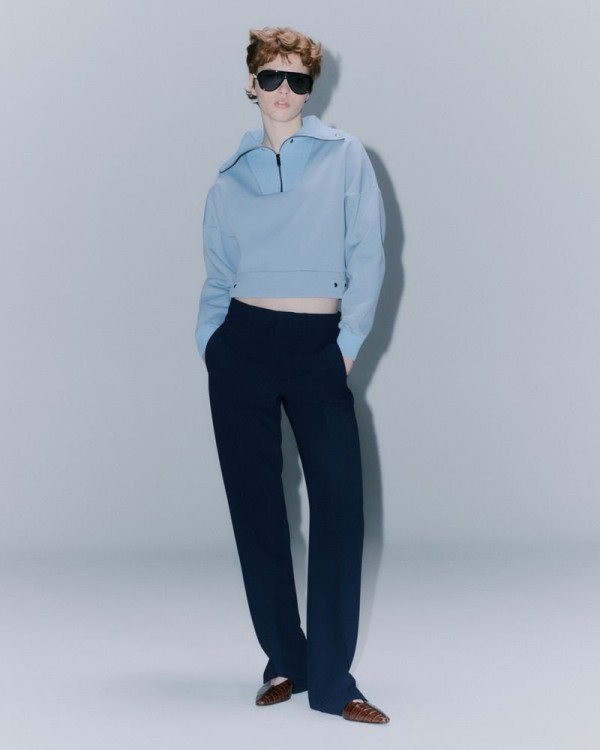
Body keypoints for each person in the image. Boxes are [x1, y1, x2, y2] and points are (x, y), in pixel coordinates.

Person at [195, 26, 389, 724]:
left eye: (297, 80)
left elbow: (368, 252)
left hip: (317, 348)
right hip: (242, 346)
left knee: (340, 506)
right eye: (271, 77)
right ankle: (285, 659)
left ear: (311, 88)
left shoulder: (346, 156)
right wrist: (213, 345)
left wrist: (346, 346)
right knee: (257, 509)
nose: (284, 90)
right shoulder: (228, 177)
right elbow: (218, 274)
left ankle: (335, 681)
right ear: (252, 84)